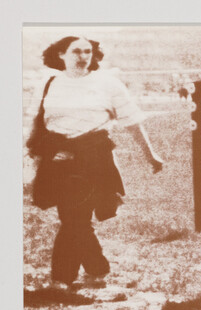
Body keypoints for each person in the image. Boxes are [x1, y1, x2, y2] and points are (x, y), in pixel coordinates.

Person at [26, 35, 163, 290]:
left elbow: (132, 120)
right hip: (58, 158)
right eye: (76, 51)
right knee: (73, 216)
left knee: (74, 217)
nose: (82, 57)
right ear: (61, 55)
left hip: (93, 158)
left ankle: (61, 279)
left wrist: (150, 154)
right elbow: (36, 121)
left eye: (87, 51)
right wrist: (39, 153)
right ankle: (97, 270)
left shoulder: (108, 84)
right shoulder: (48, 83)